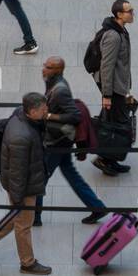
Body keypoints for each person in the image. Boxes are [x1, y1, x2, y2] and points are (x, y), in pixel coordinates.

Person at [0, 92, 51, 275]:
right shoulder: (21, 137)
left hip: (26, 182)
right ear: (33, 111)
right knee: (23, 225)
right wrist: (18, 197)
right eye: (44, 109)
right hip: (24, 187)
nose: (47, 112)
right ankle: (27, 263)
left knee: (16, 218)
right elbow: (17, 172)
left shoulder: (21, 115)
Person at [38, 57, 107, 224]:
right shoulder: (53, 82)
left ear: (57, 70)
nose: (43, 69)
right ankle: (97, 207)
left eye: (48, 67)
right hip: (62, 140)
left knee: (40, 178)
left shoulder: (60, 89)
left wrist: (49, 116)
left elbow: (74, 115)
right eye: (45, 65)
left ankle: (34, 216)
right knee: (71, 174)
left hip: (57, 142)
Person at [91, 0, 135, 176]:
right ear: (119, 14)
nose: (132, 13)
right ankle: (104, 159)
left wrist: (127, 87)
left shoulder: (122, 30)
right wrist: (107, 95)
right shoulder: (113, 36)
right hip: (113, 89)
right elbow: (106, 67)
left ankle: (110, 158)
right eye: (129, 11)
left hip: (119, 87)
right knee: (114, 126)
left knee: (112, 123)